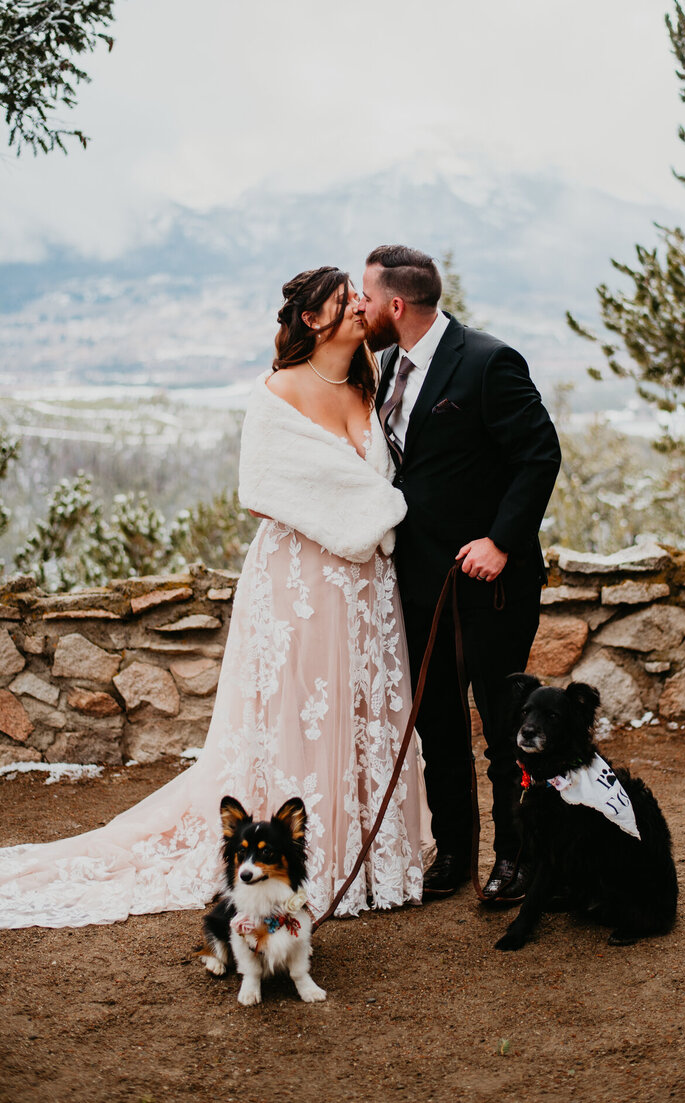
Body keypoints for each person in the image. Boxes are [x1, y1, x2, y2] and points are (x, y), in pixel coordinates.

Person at [0, 267, 430, 929]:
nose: (356, 309)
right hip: (299, 583)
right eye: (344, 302)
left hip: (366, 590)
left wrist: (374, 512)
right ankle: (302, 863)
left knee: (359, 710)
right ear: (312, 319)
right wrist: (377, 507)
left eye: (356, 300)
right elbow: (260, 488)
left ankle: (367, 859)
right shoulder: (276, 392)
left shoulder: (368, 387)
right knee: (301, 715)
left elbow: (375, 482)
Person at [357, 245, 561, 903]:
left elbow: (540, 454)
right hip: (419, 587)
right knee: (437, 727)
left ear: (396, 304)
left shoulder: (487, 362)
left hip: (490, 589)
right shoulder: (389, 365)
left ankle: (517, 857)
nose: (360, 309)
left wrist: (502, 540)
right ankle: (454, 854)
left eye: (365, 297)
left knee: (505, 733)